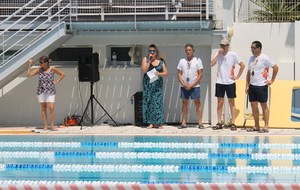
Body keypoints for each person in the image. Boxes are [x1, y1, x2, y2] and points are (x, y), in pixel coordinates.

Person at [210, 39, 245, 131]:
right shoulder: (218, 54)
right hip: (220, 81)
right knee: (220, 103)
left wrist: (237, 76)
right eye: (221, 45)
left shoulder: (233, 55)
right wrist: (218, 55)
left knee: (231, 102)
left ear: (228, 46)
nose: (222, 47)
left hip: (230, 82)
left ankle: (233, 122)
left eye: (224, 46)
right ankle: (219, 122)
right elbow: (211, 64)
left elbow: (242, 65)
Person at [246, 41, 279, 133]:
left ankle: (266, 126)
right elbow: (248, 72)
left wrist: (272, 80)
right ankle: (256, 125)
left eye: (253, 48)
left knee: (263, 105)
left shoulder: (265, 58)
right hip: (252, 85)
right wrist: (247, 85)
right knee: (253, 106)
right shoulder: (251, 59)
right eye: (251, 48)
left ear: (259, 48)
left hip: (261, 85)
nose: (251, 50)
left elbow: (276, 67)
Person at [27, 56, 65, 131]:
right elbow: (29, 75)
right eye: (39, 62)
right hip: (41, 90)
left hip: (50, 90)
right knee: (43, 108)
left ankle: (52, 126)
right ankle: (45, 125)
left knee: (51, 108)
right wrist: (29, 65)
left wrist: (56, 81)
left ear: (46, 63)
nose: (40, 64)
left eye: (41, 62)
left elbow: (62, 74)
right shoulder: (39, 69)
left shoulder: (52, 68)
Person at [177, 43, 204, 129]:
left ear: (193, 51)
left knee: (197, 103)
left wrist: (193, 84)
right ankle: (184, 122)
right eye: (187, 50)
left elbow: (200, 74)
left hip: (195, 86)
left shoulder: (198, 60)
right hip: (185, 86)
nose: (188, 52)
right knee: (184, 103)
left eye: (190, 50)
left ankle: (200, 122)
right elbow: (179, 74)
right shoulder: (182, 61)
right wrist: (183, 83)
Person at [141, 44, 168, 129]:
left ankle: (159, 123)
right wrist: (149, 60)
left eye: (153, 51)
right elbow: (144, 70)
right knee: (149, 102)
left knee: (157, 102)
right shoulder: (145, 59)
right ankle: (151, 123)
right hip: (148, 84)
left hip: (157, 85)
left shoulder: (161, 61)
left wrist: (159, 73)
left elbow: (166, 73)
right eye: (150, 51)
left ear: (156, 52)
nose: (152, 52)